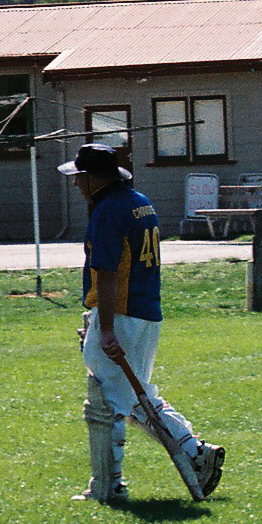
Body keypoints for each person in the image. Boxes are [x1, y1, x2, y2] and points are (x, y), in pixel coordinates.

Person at [60, 143, 222, 504]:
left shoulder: (108, 210)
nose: (76, 185)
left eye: (79, 178)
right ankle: (196, 452)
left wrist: (104, 328)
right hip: (144, 311)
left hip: (122, 313)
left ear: (90, 178)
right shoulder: (138, 201)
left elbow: (106, 271)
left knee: (106, 403)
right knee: (134, 398)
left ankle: (109, 487)